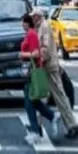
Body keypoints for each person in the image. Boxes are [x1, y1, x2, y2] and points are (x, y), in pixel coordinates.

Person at [32, 8, 78, 140]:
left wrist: (40, 59)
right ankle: (37, 126)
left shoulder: (45, 27)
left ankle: (72, 125)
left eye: (33, 16)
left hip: (49, 67)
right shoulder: (41, 26)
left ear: (38, 16)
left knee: (59, 97)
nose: (32, 19)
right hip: (45, 66)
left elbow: (46, 48)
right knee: (41, 97)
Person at [19, 13, 59, 145]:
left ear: (26, 23)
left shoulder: (31, 34)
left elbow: (36, 53)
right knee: (34, 102)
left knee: (29, 103)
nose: (21, 25)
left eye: (22, 22)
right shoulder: (30, 33)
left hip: (33, 71)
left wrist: (22, 54)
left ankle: (35, 132)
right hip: (30, 70)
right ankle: (52, 116)